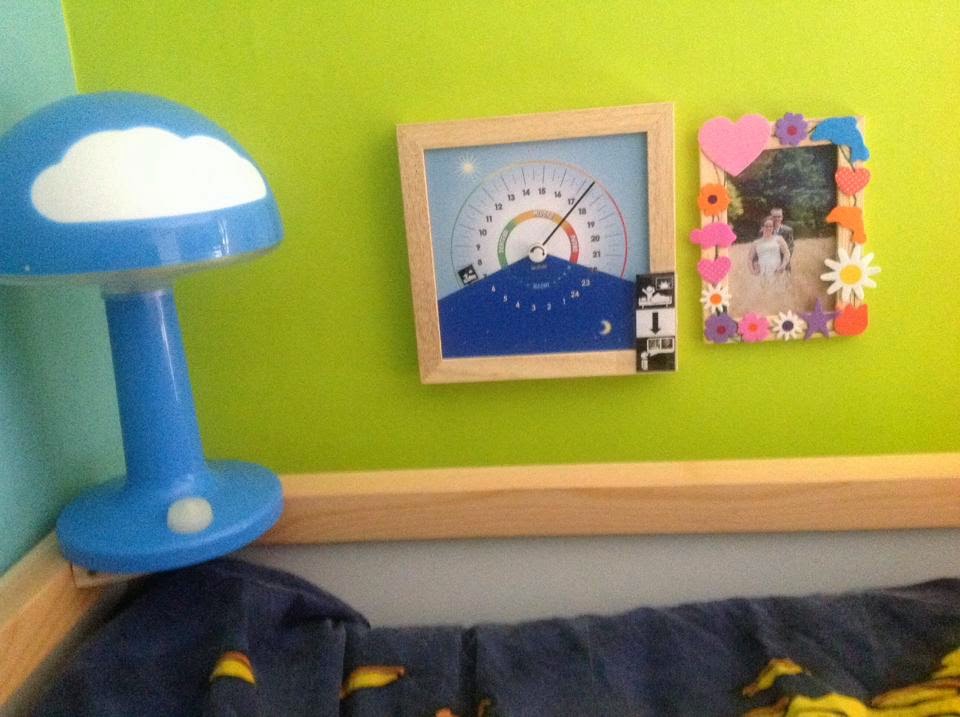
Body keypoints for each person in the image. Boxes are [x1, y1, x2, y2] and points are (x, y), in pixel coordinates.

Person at [749, 216, 791, 285]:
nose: (768, 228)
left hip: (777, 271)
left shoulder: (779, 239)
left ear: (773, 227)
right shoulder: (756, 243)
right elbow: (749, 258)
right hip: (762, 272)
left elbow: (787, 253)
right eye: (766, 226)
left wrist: (783, 266)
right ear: (762, 227)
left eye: (771, 226)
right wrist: (752, 271)